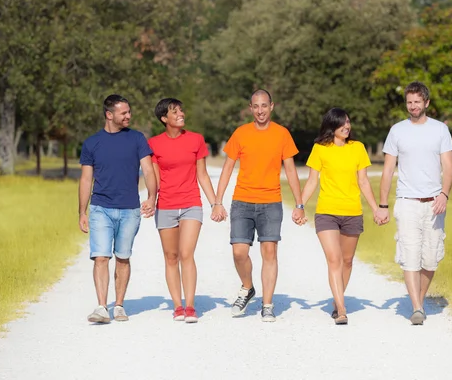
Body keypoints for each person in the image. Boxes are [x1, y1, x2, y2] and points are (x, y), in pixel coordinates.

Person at [211, 89, 305, 322]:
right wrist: (217, 202)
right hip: (242, 201)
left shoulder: (282, 134)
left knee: (269, 252)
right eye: (256, 106)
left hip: (271, 202)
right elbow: (227, 168)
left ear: (271, 106)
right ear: (251, 108)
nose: (261, 110)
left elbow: (291, 170)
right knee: (239, 251)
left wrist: (300, 203)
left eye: (264, 105)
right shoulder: (241, 133)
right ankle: (247, 287)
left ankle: (267, 304)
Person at [375, 81, 452, 325]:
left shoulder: (440, 130)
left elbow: (448, 166)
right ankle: (417, 307)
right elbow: (388, 170)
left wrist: (444, 195)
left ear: (426, 103)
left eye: (417, 102)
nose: (413, 106)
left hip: (434, 203)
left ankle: (417, 300)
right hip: (406, 201)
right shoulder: (397, 131)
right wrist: (383, 205)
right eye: (409, 102)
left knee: (430, 257)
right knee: (410, 253)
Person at [79, 94, 157, 324]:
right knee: (101, 257)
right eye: (124, 113)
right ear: (109, 114)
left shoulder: (137, 139)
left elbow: (149, 170)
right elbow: (85, 180)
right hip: (101, 208)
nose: (128, 116)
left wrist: (152, 197)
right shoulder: (92, 143)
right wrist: (82, 212)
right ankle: (102, 306)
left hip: (129, 209)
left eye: (129, 112)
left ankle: (119, 305)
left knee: (123, 257)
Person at [300, 108, 379, 325]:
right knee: (334, 259)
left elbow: (363, 181)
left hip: (352, 212)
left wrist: (376, 208)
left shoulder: (358, 148)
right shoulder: (320, 149)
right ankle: (341, 309)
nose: (347, 126)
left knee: (347, 261)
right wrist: (300, 205)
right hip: (327, 212)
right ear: (332, 125)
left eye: (348, 122)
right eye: (342, 123)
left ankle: (337, 300)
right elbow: (312, 181)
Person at [148, 98, 219, 324]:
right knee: (171, 257)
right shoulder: (154, 144)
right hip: (166, 205)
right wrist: (151, 200)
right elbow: (154, 177)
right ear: (164, 118)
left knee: (186, 254)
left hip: (191, 203)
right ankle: (177, 306)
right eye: (174, 112)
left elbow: (203, 174)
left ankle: (190, 306)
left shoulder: (196, 140)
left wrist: (215, 202)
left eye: (181, 110)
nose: (180, 114)